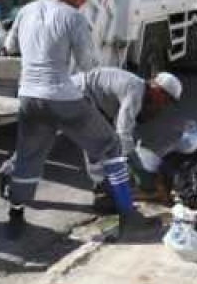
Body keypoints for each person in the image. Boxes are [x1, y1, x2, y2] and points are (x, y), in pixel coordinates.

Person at [0, 0, 152, 241]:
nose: (84, 1)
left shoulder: (26, 11)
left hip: (29, 97)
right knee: (111, 145)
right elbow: (88, 65)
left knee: (29, 156)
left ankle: (15, 215)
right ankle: (129, 216)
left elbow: (10, 47)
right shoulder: (74, 18)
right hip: (62, 97)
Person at [73, 68, 182, 213]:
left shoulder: (138, 88)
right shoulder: (135, 92)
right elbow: (123, 133)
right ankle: (103, 194)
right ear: (157, 90)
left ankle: (106, 189)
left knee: (107, 142)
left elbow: (125, 127)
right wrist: (137, 166)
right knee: (98, 143)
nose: (163, 105)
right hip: (80, 94)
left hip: (88, 96)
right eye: (166, 100)